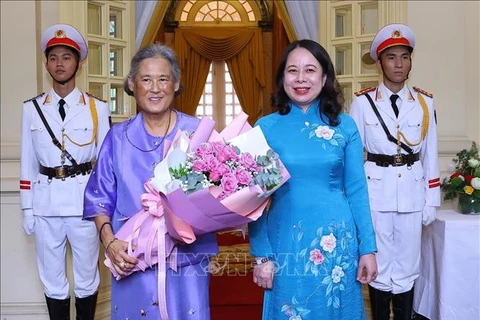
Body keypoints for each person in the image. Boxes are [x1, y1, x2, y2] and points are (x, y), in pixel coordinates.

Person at [83, 43, 218, 320]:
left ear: (176, 84)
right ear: (132, 84)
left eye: (163, 79)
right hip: (132, 257)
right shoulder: (117, 137)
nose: (155, 88)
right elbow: (99, 198)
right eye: (146, 79)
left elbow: (220, 194)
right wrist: (109, 241)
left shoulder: (198, 133)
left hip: (186, 260)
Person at [249, 39, 378, 320]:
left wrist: (367, 248)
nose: (301, 78)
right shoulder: (265, 128)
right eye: (292, 71)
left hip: (337, 242)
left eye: (310, 70)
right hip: (286, 243)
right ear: (282, 77)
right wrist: (261, 255)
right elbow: (253, 199)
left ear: (324, 77)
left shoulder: (344, 126)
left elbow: (357, 190)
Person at [349, 24, 440, 320]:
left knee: (408, 267)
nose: (398, 63)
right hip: (376, 194)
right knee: (378, 266)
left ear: (411, 61)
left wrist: (431, 200)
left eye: (404, 56)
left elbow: (430, 155)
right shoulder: (363, 104)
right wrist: (354, 203)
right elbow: (352, 158)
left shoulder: (425, 103)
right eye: (391, 57)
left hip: (413, 194)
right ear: (379, 63)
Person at [20, 24, 111, 319]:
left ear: (79, 63)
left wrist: (105, 210)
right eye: (54, 57)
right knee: (52, 281)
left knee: (86, 280)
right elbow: (27, 160)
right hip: (45, 206)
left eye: (67, 57)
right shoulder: (31, 109)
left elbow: (106, 167)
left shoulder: (97, 109)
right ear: (46, 64)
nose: (60, 64)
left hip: (84, 205)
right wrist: (27, 209)